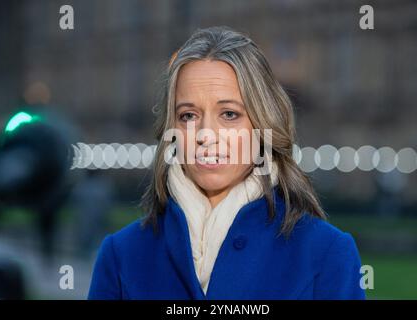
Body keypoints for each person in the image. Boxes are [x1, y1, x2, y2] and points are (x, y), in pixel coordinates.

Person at [88, 26, 365, 300]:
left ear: (262, 124)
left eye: (229, 114)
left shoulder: (326, 252)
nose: (206, 135)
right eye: (188, 116)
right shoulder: (121, 255)